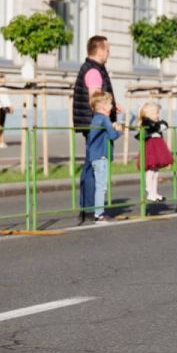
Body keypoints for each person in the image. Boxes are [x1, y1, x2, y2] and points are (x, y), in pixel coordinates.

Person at [72, 36, 120, 223]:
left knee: (90, 165)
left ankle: (88, 208)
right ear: (99, 50)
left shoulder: (93, 68)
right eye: (107, 50)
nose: (109, 53)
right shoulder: (94, 71)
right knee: (95, 166)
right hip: (97, 125)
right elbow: (96, 101)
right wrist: (108, 117)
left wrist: (114, 107)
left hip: (92, 122)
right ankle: (92, 209)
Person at [86, 92, 123, 223]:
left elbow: (103, 134)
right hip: (101, 156)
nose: (112, 106)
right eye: (110, 103)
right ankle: (99, 214)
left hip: (94, 155)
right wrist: (119, 130)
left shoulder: (96, 118)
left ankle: (98, 213)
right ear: (103, 107)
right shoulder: (104, 119)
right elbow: (113, 135)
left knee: (99, 185)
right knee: (101, 186)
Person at [137, 102, 173, 202]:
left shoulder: (156, 122)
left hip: (157, 148)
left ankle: (155, 192)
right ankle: (150, 191)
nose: (158, 115)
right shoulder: (146, 122)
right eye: (156, 113)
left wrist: (161, 124)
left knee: (156, 172)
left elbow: (164, 125)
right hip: (151, 148)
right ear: (148, 114)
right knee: (150, 171)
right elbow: (154, 127)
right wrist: (159, 126)